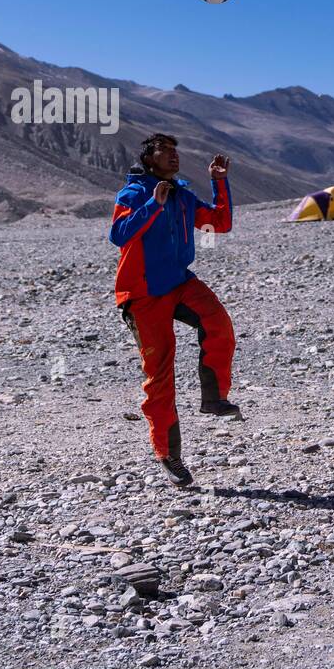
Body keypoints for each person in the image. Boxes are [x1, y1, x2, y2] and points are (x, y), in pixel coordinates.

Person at [109, 133, 238, 487]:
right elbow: (119, 235)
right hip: (143, 293)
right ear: (149, 159)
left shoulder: (181, 194)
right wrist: (151, 205)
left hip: (179, 282)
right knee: (160, 376)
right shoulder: (133, 193)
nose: (173, 157)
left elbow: (219, 223)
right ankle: (169, 455)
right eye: (165, 152)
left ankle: (214, 398)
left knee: (218, 324)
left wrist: (219, 182)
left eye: (175, 152)